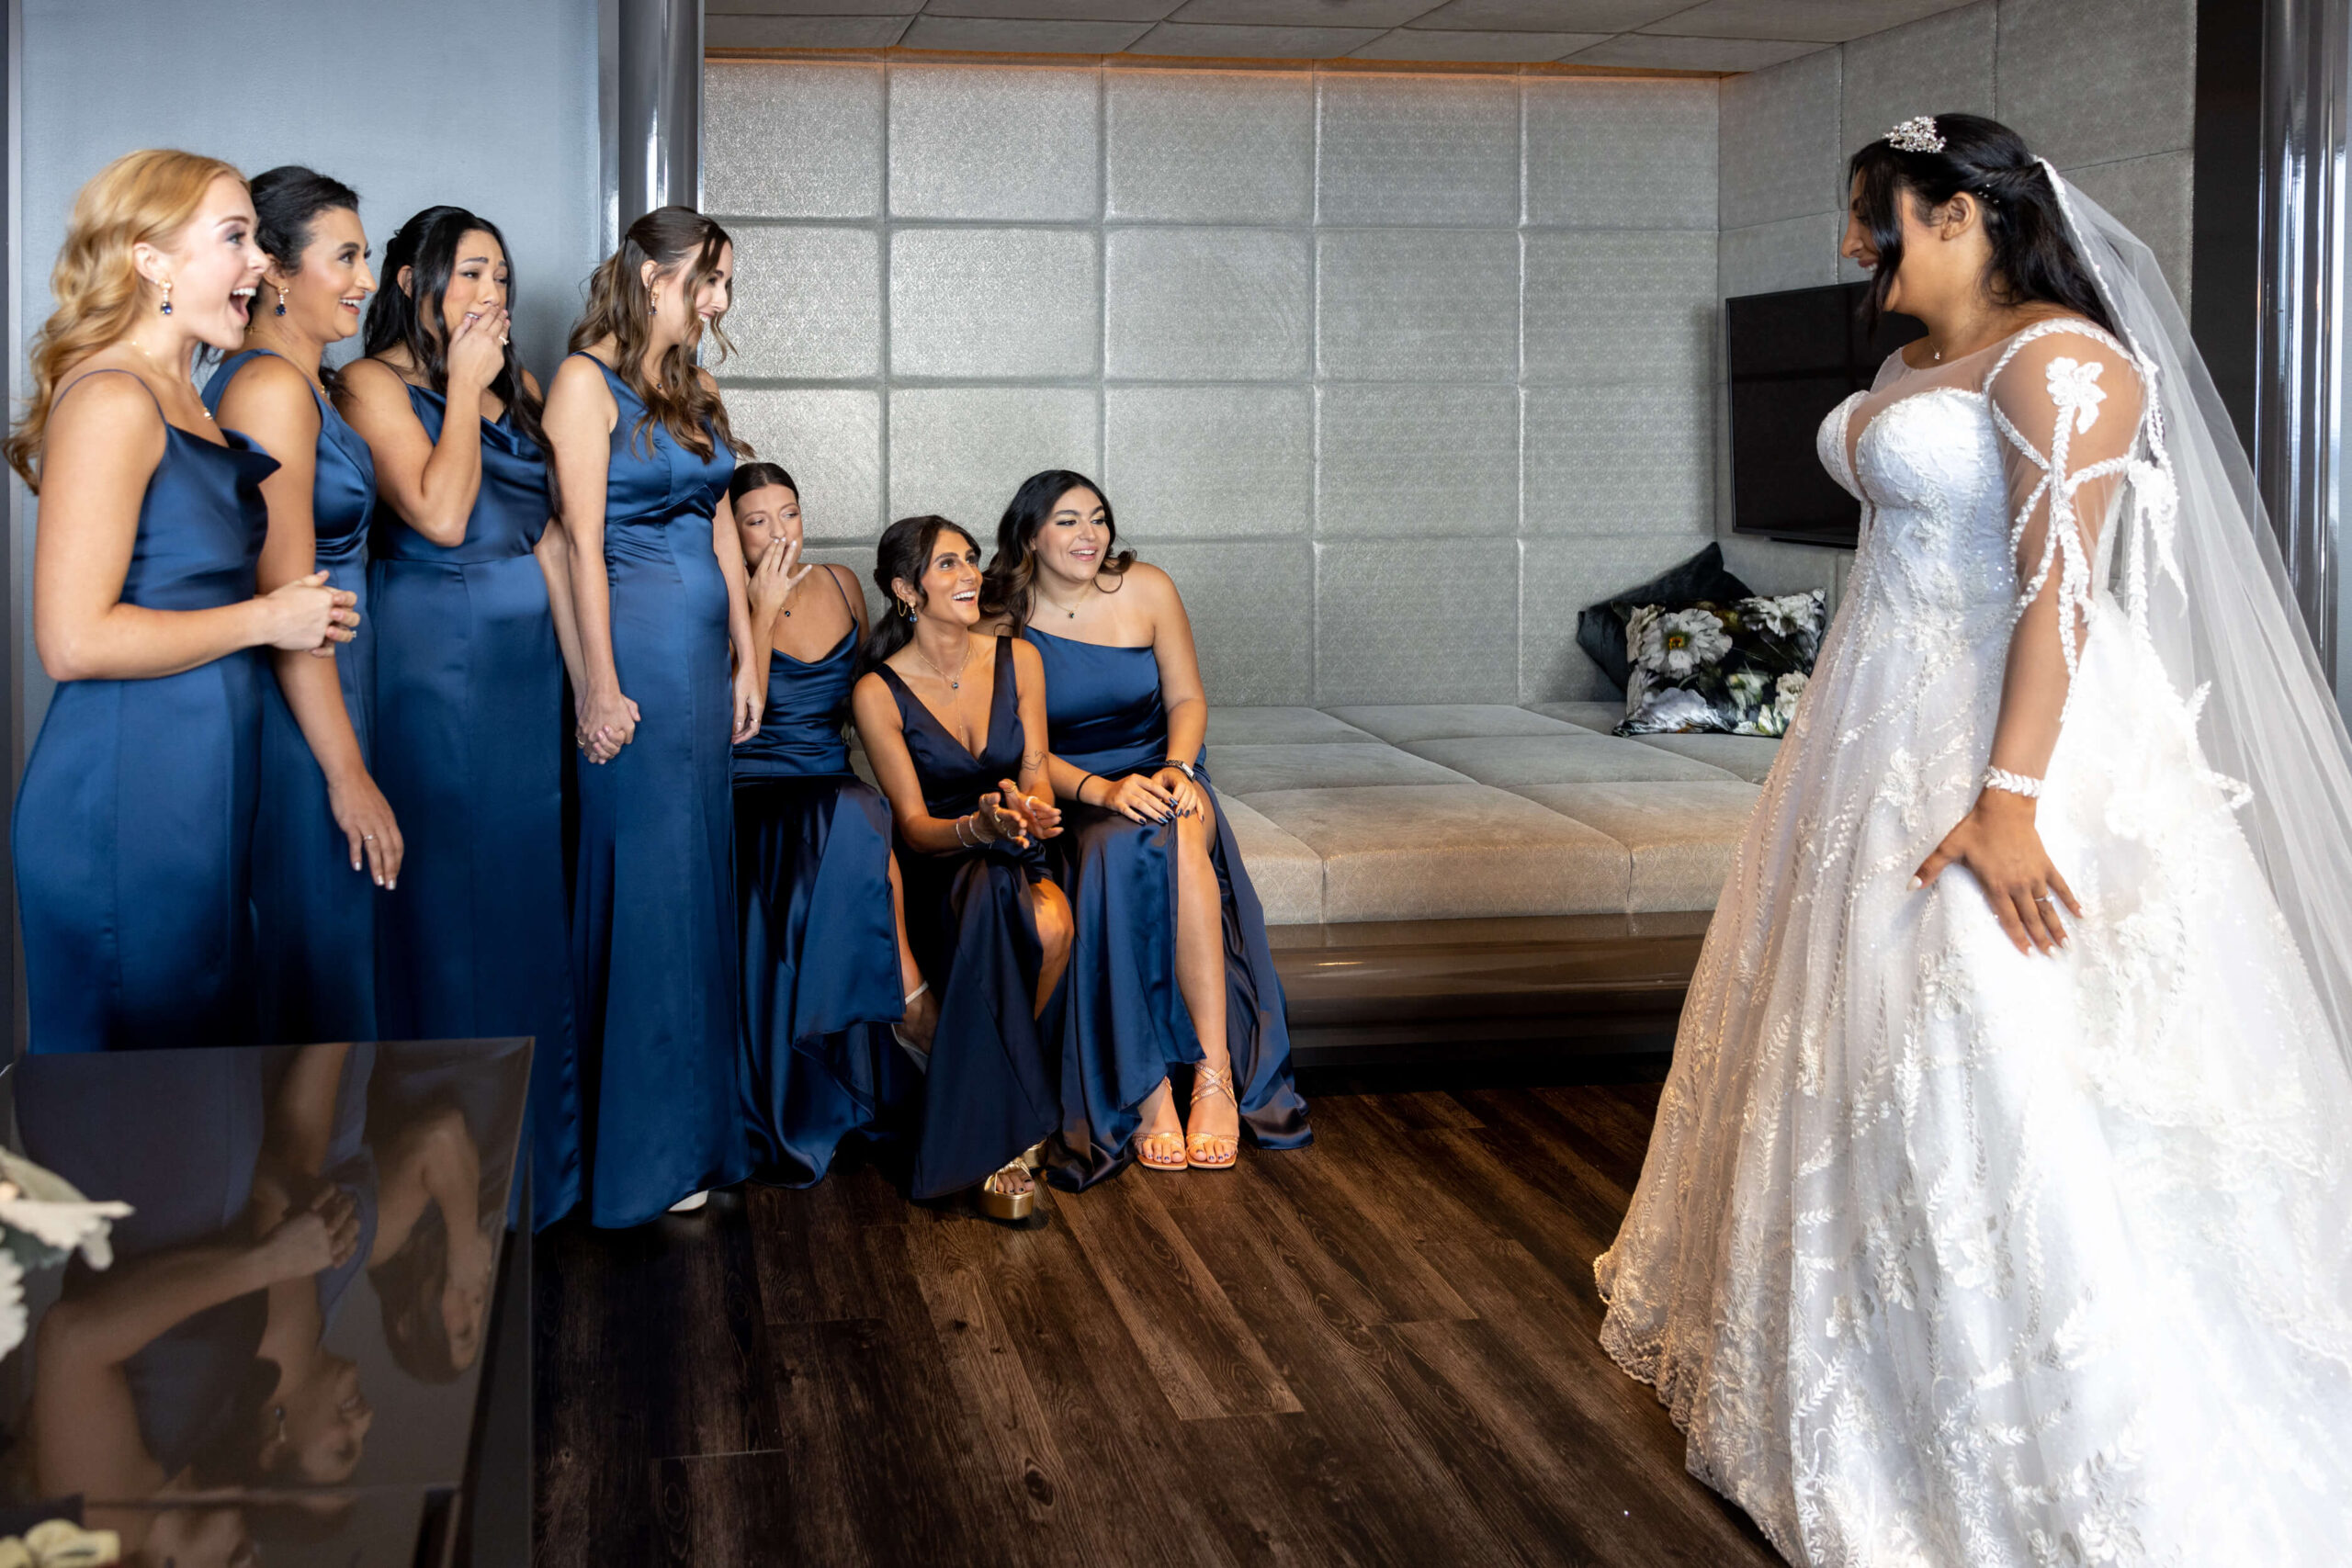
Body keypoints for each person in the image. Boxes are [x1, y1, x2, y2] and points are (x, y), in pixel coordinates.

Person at [1595, 113, 2352, 1562]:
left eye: (1873, 213)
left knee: (1984, 1037)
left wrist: (2009, 800)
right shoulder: (1904, 368)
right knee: (1856, 1036)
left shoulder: (2063, 362)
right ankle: (1859, 1362)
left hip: (2005, 739)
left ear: (1959, 214)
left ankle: (2041, 1422)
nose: (1851, 243)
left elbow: (2058, 593)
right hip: (1866, 729)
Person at [5, 150, 352, 1053]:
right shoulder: (113, 398)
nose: (261, 263)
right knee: (138, 1100)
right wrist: (268, 619)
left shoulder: (188, 399)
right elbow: (71, 641)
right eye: (235, 238)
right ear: (150, 260)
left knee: (199, 1087)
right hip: (129, 798)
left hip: (201, 792)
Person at [340, 204, 582, 1228]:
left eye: (502, 278)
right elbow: (440, 513)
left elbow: (557, 530)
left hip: (529, 675)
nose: (494, 295)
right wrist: (466, 390)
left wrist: (592, 680)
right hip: (435, 665)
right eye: (472, 273)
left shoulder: (517, 385)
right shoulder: (370, 384)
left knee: (526, 898)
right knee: (445, 909)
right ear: (413, 282)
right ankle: (448, 1183)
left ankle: (533, 1178)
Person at [982, 470, 1308, 1181]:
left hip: (1164, 770)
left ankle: (1213, 1075)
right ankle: (1149, 1086)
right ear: (1030, 535)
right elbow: (1021, 749)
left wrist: (1178, 768)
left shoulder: (1149, 588)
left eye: (1098, 518)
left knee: (1182, 830)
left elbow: (1188, 698)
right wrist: (1104, 789)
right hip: (1078, 791)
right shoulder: (1000, 618)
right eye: (1068, 521)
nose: (1090, 534)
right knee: (1111, 852)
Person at [548, 206, 756, 1225]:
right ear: (650, 274)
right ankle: (643, 1149)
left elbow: (720, 524)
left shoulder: (694, 387)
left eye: (724, 284)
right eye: (706, 280)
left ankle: (697, 1130)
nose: (717, 301)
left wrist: (749, 653)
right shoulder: (582, 384)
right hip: (634, 649)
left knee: (693, 881)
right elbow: (576, 542)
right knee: (645, 885)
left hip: (701, 661)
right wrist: (597, 681)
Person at [203, 165, 400, 1044]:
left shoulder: (307, 383)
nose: (366, 278)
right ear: (278, 272)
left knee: (336, 965)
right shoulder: (272, 389)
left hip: (335, 694)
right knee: (314, 969)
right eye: (345, 257)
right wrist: (346, 773)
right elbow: (286, 602)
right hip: (302, 716)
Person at [849, 515, 1071, 1226]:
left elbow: (1035, 769)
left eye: (971, 559)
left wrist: (1030, 809)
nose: (971, 574)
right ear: (905, 589)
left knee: (1031, 907)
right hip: (939, 863)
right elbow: (913, 825)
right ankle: (1008, 1125)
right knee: (999, 895)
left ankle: (980, 1107)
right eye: (948, 564)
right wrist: (976, 827)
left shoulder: (1020, 659)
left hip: (1015, 845)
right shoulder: (878, 691)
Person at [730, 463, 933, 1185]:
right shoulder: (722, 595)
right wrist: (759, 609)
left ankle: (887, 1020)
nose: (779, 531)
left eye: (788, 512)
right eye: (757, 520)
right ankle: (911, 999)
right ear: (732, 532)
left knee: (860, 806)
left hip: (832, 778)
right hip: (754, 786)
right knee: (858, 810)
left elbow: (871, 695)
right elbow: (735, 718)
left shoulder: (843, 584)